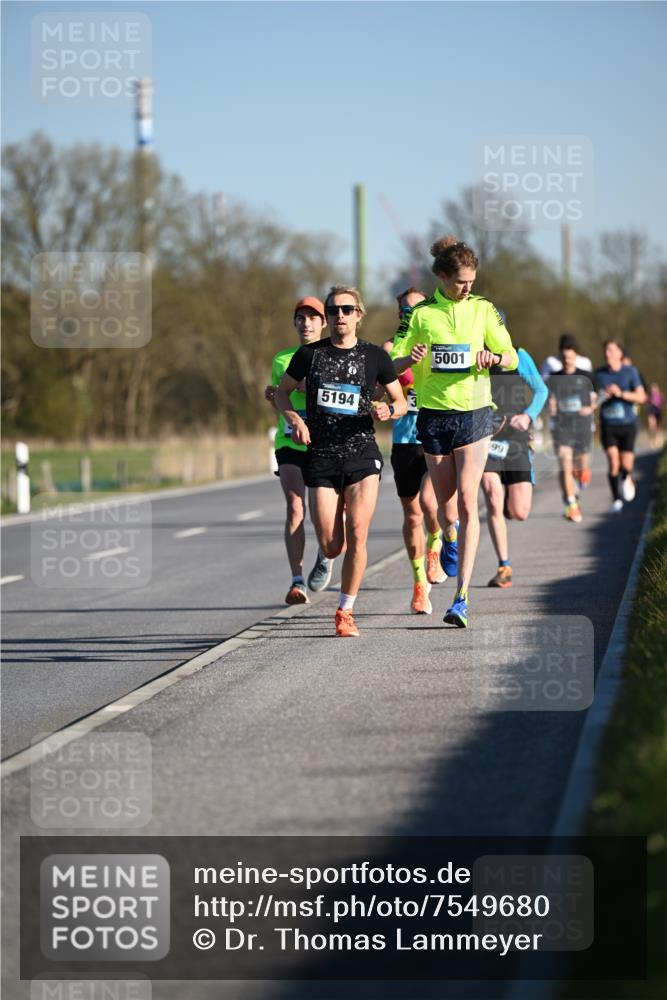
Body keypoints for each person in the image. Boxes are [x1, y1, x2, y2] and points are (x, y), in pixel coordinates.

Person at [391, 236, 518, 628]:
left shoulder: (483, 310)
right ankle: (448, 535)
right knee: (446, 507)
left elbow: (511, 355)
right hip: (433, 416)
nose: (468, 287)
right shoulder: (422, 315)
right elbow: (391, 363)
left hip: (475, 412)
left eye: (472, 280)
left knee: (467, 499)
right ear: (442, 276)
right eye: (461, 281)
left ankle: (461, 598)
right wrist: (406, 358)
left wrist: (492, 356)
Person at [275, 285, 407, 637]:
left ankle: (345, 610)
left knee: (359, 533)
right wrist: (296, 420)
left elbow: (402, 401)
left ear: (359, 315)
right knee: (333, 543)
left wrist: (388, 408)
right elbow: (282, 393)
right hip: (321, 457)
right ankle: (330, 551)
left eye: (347, 310)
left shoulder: (375, 357)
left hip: (362, 453)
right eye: (333, 311)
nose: (339, 316)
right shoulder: (309, 356)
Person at [381, 288, 446, 616]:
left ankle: (436, 544)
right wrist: (409, 360)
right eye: (406, 310)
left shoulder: (440, 340)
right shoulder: (392, 348)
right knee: (412, 514)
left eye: (417, 308)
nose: (412, 313)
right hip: (405, 440)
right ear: (400, 314)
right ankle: (420, 583)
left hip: (434, 435)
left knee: (429, 503)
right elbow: (386, 376)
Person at [265, 297, 333, 604]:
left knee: (324, 516)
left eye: (313, 318)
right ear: (294, 323)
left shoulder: (334, 356)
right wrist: (276, 396)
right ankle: (296, 582)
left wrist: (315, 388)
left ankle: (326, 552)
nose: (306, 323)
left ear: (324, 323)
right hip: (290, 441)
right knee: (295, 506)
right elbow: (280, 396)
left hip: (326, 443)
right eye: (300, 318)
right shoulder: (282, 359)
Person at [481, 335, 548, 586]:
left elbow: (541, 390)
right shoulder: (475, 357)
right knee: (491, 496)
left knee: (519, 512)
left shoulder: (518, 355)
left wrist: (528, 416)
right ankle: (504, 566)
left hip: (517, 437)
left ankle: (509, 505)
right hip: (487, 437)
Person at [594, 340, 646, 512]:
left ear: (619, 354)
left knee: (627, 464)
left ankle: (627, 477)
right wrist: (603, 395)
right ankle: (616, 499)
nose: (607, 353)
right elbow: (591, 400)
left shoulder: (630, 372)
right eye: (605, 350)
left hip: (627, 424)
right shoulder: (599, 374)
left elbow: (641, 397)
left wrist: (621, 393)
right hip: (608, 425)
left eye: (610, 350)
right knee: (613, 461)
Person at [547, 344, 596, 523]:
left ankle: (582, 475)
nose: (567, 361)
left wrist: (589, 408)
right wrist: (551, 407)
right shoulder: (554, 378)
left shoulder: (586, 376)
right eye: (564, 358)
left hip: (582, 426)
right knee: (565, 462)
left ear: (576, 357)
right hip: (562, 427)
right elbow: (549, 398)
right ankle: (571, 503)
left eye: (570, 357)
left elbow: (595, 400)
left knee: (581, 465)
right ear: (561, 359)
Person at [647, 382, 665, 449]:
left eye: (654, 388)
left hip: (658, 412)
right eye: (652, 388)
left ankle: (658, 440)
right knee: (652, 426)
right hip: (651, 412)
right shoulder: (650, 395)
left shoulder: (660, 395)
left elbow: (663, 403)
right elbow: (646, 401)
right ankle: (652, 440)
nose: (653, 390)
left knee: (658, 427)